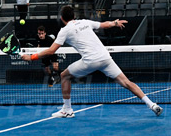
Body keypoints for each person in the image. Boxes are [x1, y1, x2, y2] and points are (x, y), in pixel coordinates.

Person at [21, 6, 163, 118]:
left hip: (91, 61)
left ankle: (67, 110)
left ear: (62, 18)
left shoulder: (64, 30)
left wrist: (31, 57)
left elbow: (51, 51)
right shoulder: (85, 22)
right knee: (127, 83)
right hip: (106, 58)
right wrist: (115, 23)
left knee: (64, 76)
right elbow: (104, 25)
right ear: (74, 16)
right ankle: (152, 105)